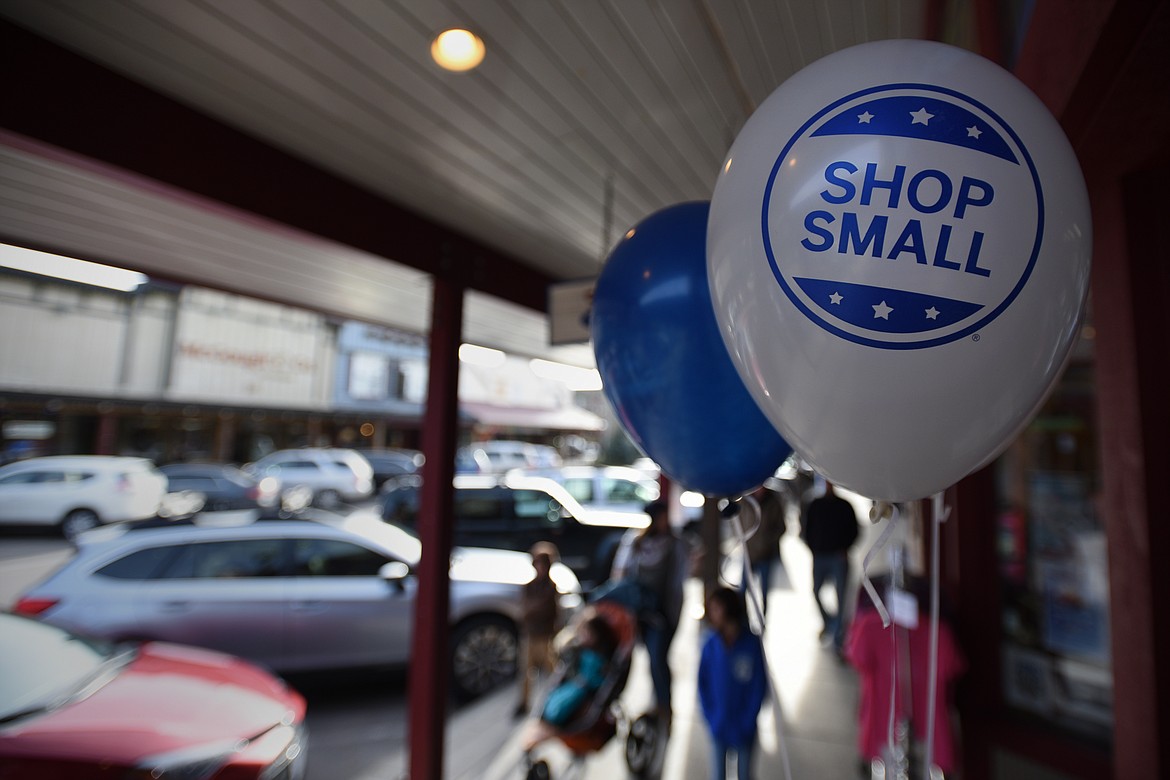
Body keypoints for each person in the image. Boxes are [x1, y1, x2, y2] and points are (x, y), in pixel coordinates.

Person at [845, 575, 965, 776]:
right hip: (909, 735)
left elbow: (857, 660)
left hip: (905, 736)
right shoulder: (871, 628)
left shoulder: (939, 634)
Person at [601, 499, 689, 728]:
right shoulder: (637, 542)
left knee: (658, 660)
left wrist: (672, 614)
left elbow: (677, 582)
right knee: (633, 658)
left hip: (662, 614)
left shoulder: (674, 545)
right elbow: (620, 574)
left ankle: (663, 706)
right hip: (638, 611)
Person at [520, 610, 619, 750]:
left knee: (562, 705)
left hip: (583, 688)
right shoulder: (580, 651)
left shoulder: (598, 656)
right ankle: (545, 725)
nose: (582, 637)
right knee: (553, 698)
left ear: (597, 635)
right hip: (575, 685)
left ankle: (550, 728)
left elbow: (598, 678)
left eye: (586, 633)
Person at [698, 586, 768, 780]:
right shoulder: (709, 645)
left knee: (745, 775)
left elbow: (759, 686)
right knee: (717, 775)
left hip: (744, 727)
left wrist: (748, 721)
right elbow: (702, 685)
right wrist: (711, 718)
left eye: (716, 608)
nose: (712, 614)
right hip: (719, 725)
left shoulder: (751, 645)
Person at [800, 481, 859, 652]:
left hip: (837, 557)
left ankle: (838, 636)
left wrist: (845, 548)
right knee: (816, 591)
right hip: (820, 556)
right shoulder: (815, 505)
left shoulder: (844, 506)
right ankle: (830, 623)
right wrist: (813, 548)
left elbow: (855, 531)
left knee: (841, 597)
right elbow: (806, 529)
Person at [515, 542, 561, 717]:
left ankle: (556, 699)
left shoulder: (550, 587)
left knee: (552, 669)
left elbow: (549, 610)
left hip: (545, 636)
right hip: (530, 634)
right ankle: (523, 703)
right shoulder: (530, 586)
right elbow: (525, 608)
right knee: (525, 672)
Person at [744, 484, 786, 614]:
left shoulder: (773, 501)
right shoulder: (746, 501)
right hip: (749, 553)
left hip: (766, 554)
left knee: (764, 590)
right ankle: (743, 620)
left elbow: (781, 527)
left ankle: (763, 618)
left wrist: (768, 542)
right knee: (743, 589)